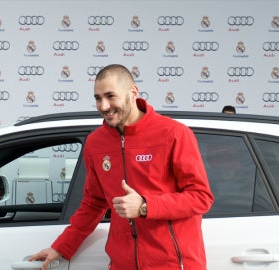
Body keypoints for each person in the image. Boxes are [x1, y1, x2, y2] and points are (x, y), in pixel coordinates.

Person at [29, 64, 214, 269]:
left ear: (133, 92)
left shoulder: (173, 134)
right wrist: (62, 247)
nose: (103, 106)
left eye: (110, 96)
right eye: (98, 98)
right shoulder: (96, 143)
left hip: (172, 264)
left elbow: (201, 197)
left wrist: (145, 206)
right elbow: (94, 203)